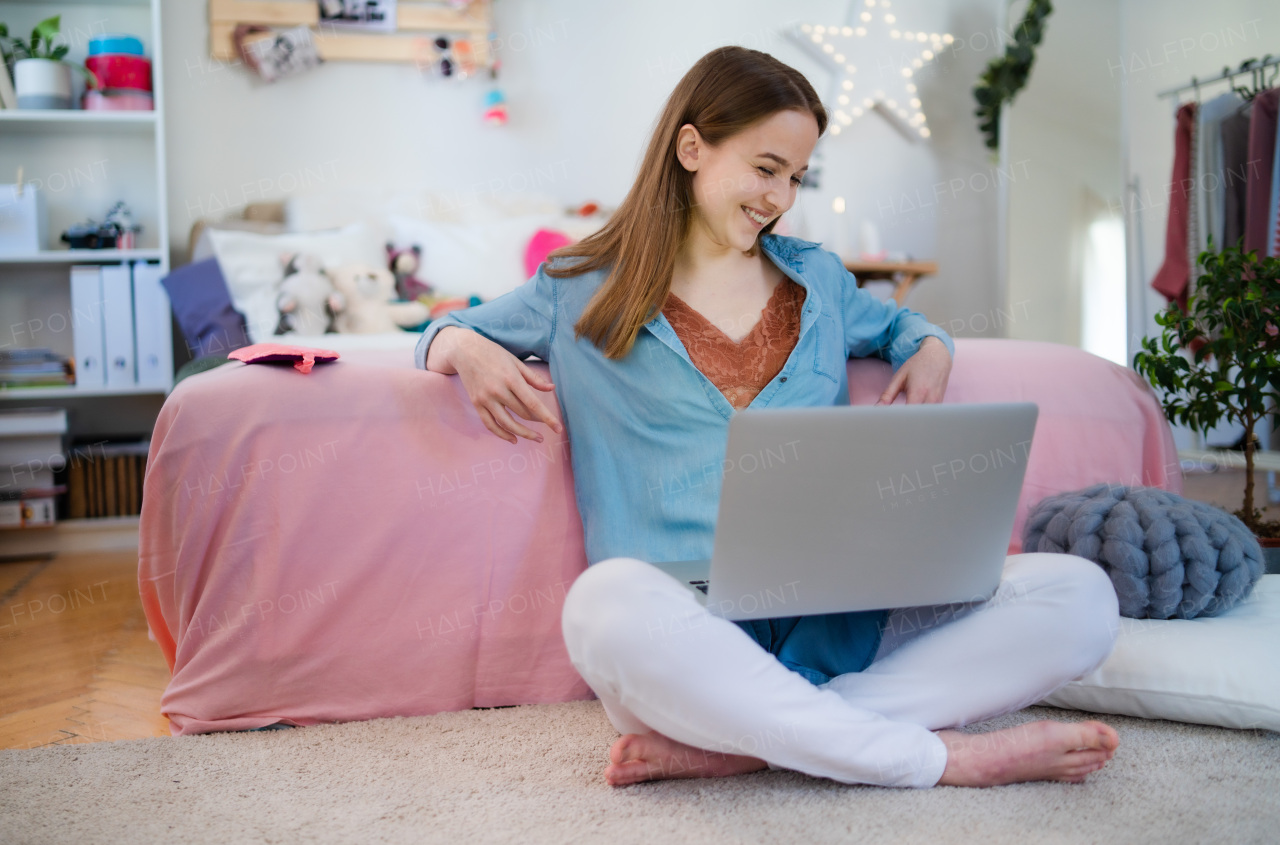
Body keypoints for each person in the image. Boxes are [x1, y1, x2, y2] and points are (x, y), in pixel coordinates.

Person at [416, 46, 1121, 789]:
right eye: (765, 167)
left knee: (1080, 595)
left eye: (796, 176)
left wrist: (933, 345)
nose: (780, 196)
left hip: (840, 617)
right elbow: (438, 329)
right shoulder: (578, 288)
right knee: (603, 604)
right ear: (692, 148)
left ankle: (758, 742)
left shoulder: (817, 277)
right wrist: (462, 345)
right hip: (687, 639)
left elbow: (899, 328)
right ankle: (934, 756)